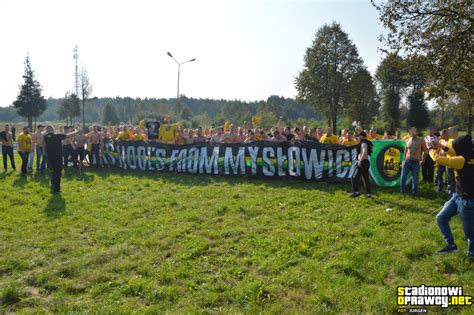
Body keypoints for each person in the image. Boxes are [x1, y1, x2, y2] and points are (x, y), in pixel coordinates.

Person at [428, 135, 473, 259]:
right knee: (441, 218)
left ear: (462, 148)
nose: (454, 148)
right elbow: (453, 153)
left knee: (470, 233)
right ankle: (451, 246)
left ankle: (471, 255)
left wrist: (431, 149)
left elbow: (440, 160)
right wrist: (441, 146)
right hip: (457, 196)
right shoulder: (467, 155)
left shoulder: (462, 160)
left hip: (467, 201)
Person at [44, 125, 79, 193]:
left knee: (54, 170)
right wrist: (76, 131)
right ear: (53, 129)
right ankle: (57, 189)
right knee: (58, 172)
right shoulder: (57, 136)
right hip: (58, 156)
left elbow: (45, 141)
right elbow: (69, 135)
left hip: (50, 156)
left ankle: (53, 184)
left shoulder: (45, 137)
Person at [400, 127, 427, 196]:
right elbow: (405, 151)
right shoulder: (408, 140)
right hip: (407, 161)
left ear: (417, 132)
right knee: (403, 176)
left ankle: (414, 193)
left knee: (415, 178)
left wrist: (423, 160)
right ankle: (402, 191)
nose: (412, 133)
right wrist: (403, 161)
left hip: (416, 162)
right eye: (411, 131)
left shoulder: (421, 140)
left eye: (414, 131)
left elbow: (425, 151)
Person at [350, 131, 372, 197]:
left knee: (353, 177)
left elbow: (364, 151)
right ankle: (368, 193)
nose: (358, 137)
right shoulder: (366, 142)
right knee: (365, 178)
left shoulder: (364, 143)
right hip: (366, 162)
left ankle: (356, 192)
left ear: (362, 136)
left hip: (362, 162)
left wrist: (360, 161)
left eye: (359, 136)